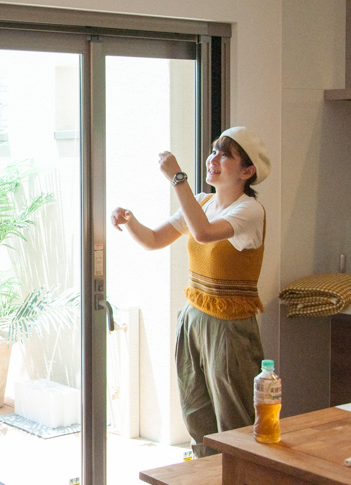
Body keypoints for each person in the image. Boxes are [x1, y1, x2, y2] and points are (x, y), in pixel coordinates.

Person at [110, 126, 271, 458]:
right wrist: (130, 221)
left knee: (234, 414)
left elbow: (204, 233)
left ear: (247, 172)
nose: (214, 159)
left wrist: (177, 178)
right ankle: (206, 471)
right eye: (213, 151)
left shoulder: (250, 210)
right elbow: (154, 239)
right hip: (194, 317)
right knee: (196, 410)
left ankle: (239, 475)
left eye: (226, 155)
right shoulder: (202, 202)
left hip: (228, 326)